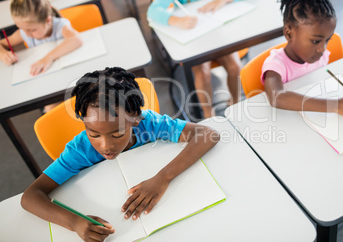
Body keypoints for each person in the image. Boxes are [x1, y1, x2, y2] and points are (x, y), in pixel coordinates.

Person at [21, 67, 220, 241]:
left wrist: (163, 178)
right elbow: (30, 196)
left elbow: (208, 134)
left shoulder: (148, 124)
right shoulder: (80, 150)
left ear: (135, 119)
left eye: (117, 134)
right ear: (83, 123)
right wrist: (74, 223)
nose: (105, 145)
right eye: (94, 134)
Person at [147, 0, 258, 118]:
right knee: (203, 74)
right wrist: (176, 20)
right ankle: (208, 113)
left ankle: (235, 102)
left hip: (219, 36)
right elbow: (153, 11)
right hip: (196, 40)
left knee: (235, 67)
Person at [262, 0, 343, 117]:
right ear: (289, 33)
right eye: (316, 41)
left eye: (327, 40)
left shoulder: (319, 56)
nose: (322, 49)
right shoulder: (276, 64)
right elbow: (277, 98)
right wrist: (335, 106)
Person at [0, 0, 82, 75]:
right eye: (21, 28)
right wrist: (3, 54)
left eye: (32, 30)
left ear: (48, 20)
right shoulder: (24, 32)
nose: (27, 34)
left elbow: (76, 39)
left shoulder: (59, 25)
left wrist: (48, 58)